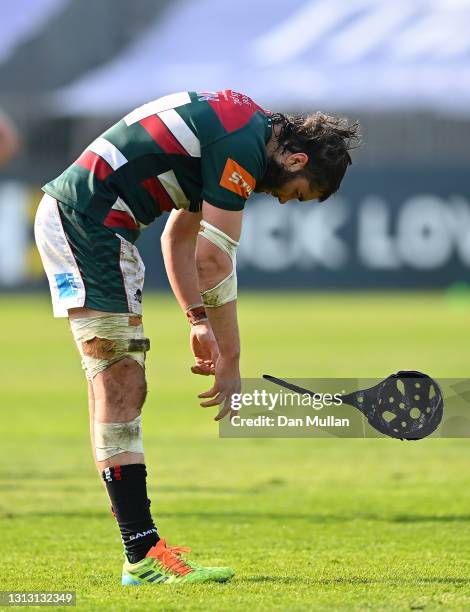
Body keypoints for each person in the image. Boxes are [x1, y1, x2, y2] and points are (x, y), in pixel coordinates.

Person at [34, 89, 360, 585]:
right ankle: (142, 556)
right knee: (120, 386)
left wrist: (197, 319)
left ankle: (141, 553)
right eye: (294, 192)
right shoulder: (242, 143)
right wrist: (230, 360)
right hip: (89, 224)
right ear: (296, 159)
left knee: (119, 386)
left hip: (89, 222)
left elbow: (179, 238)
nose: (279, 198)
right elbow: (213, 260)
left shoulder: (242, 127)